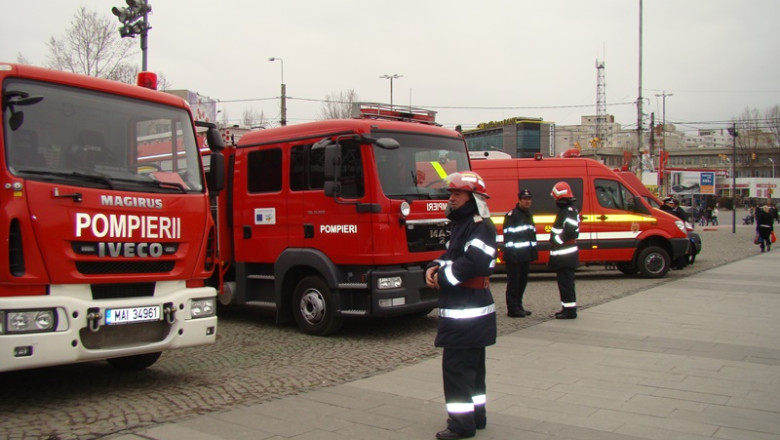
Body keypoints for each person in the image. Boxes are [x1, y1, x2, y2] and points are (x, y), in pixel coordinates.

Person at [425, 171, 497, 440]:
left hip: (466, 312)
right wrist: (433, 266)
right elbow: (451, 256)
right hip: (469, 310)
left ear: (473, 198)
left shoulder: (480, 226)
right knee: (473, 371)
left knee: (457, 370)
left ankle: (461, 425)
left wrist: (442, 278)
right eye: (451, 194)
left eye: (457, 194)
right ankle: (476, 417)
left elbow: (474, 262)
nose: (451, 199)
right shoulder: (465, 225)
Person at [502, 188, 538, 318]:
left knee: (522, 283)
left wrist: (533, 253)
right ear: (519, 200)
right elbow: (508, 237)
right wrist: (512, 255)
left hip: (525, 256)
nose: (527, 201)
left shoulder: (528, 215)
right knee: (514, 284)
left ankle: (519, 305)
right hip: (514, 257)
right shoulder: (512, 216)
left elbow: (531, 236)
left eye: (529, 199)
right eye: (525, 199)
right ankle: (512, 309)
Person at [549, 181, 580, 320]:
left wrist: (556, 241)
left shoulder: (568, 211)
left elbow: (570, 232)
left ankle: (570, 311)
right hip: (564, 255)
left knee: (566, 284)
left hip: (565, 255)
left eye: (555, 198)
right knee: (564, 284)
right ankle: (566, 308)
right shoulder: (567, 210)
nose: (554, 200)